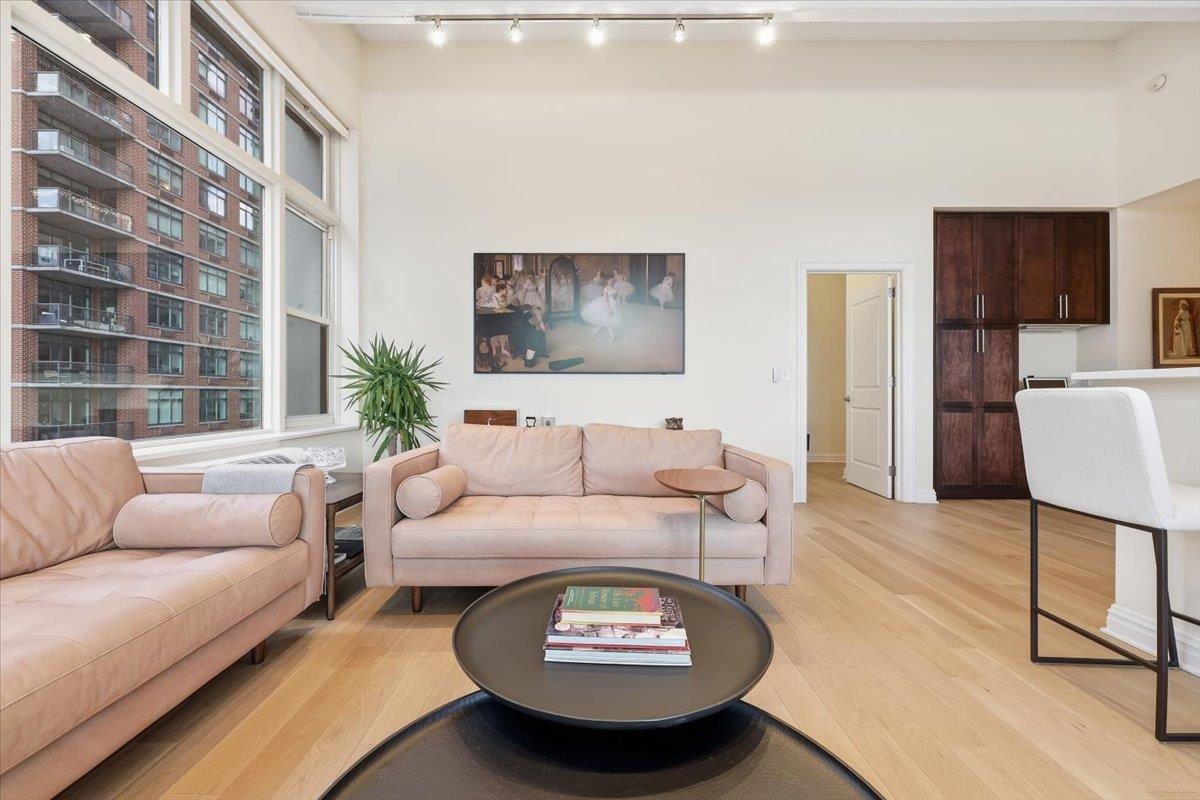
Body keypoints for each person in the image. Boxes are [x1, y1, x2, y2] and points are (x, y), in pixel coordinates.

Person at [581, 273, 622, 342]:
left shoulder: (613, 288)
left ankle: (596, 330)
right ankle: (612, 337)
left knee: (605, 320)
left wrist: (618, 304)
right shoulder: (606, 289)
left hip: (613, 304)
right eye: (610, 281)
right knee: (608, 321)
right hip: (607, 305)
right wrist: (609, 309)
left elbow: (616, 296)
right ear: (607, 281)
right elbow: (606, 300)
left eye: (612, 281)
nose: (612, 282)